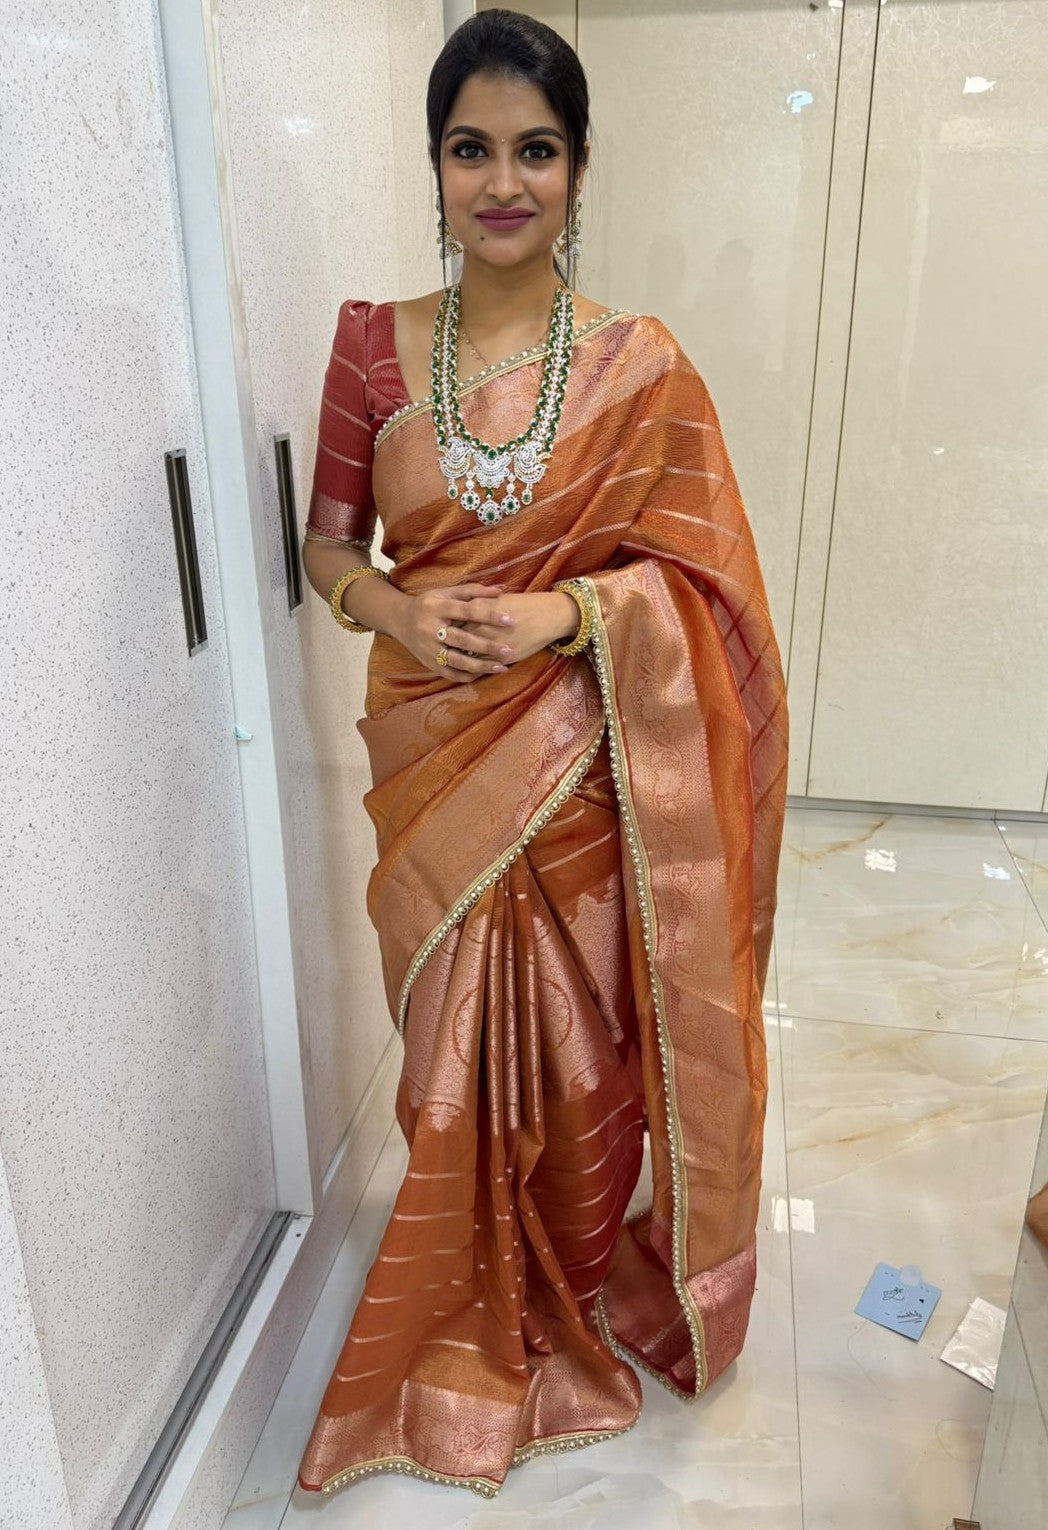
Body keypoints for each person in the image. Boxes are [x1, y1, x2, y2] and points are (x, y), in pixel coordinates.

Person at [295, 8, 788, 1501]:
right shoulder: (369, 347)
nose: (502, 182)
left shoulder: (641, 366)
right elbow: (329, 546)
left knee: (586, 1057)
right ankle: (453, 1300)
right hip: (433, 747)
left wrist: (572, 612)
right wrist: (396, 605)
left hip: (578, 764)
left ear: (578, 168)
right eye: (471, 149)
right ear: (434, 164)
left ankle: (565, 1279)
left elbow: (707, 588)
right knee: (450, 1043)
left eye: (536, 150)